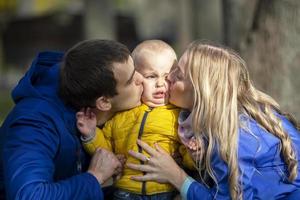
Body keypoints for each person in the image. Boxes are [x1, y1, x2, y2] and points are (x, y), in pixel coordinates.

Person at [127, 41, 300, 199]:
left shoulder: (231, 137)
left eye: (178, 76)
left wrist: (176, 176)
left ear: (200, 92)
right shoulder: (241, 112)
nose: (168, 79)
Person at [0, 39, 144, 199]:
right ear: (103, 102)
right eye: (131, 80)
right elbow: (29, 195)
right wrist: (95, 177)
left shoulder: (93, 91)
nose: (142, 79)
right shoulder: (33, 124)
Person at [76, 40, 195, 200]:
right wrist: (91, 135)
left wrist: (194, 153)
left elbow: (187, 155)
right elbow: (106, 153)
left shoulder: (178, 114)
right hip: (125, 191)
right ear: (137, 78)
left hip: (165, 191)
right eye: (151, 76)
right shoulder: (121, 114)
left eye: (167, 77)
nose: (160, 83)